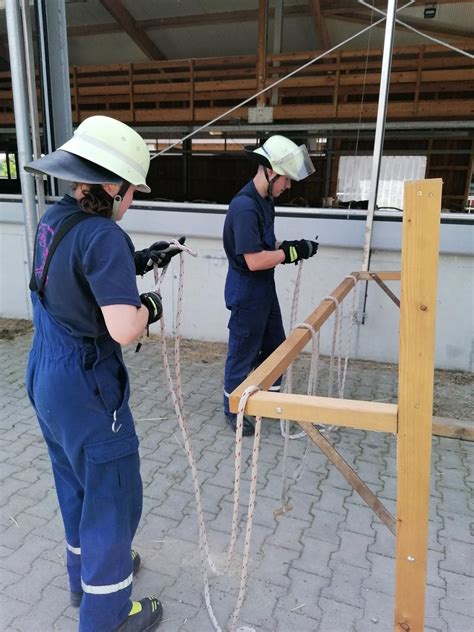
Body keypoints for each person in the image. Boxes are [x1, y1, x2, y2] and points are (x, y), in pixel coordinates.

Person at [24, 115, 184, 632]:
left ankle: (87, 580)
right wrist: (150, 307)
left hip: (47, 379)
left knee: (75, 486)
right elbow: (122, 329)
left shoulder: (56, 219)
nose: (133, 198)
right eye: (133, 189)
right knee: (113, 501)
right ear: (113, 186)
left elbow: (76, 274)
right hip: (90, 393)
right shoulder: (105, 236)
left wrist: (136, 262)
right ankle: (108, 614)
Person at [222, 135, 319, 436]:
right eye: (286, 180)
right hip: (247, 290)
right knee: (243, 351)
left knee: (276, 346)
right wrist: (290, 253)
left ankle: (267, 401)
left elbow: (266, 245)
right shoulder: (245, 207)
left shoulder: (265, 202)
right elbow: (253, 260)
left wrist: (291, 246)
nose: (288, 186)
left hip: (264, 289)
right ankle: (234, 408)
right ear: (271, 172)